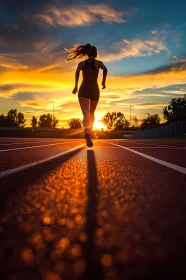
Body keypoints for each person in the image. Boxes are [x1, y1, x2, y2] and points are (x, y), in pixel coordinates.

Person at [65, 43, 108, 147]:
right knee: (92, 112)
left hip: (83, 89)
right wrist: (103, 82)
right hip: (94, 89)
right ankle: (90, 132)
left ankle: (87, 131)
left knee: (85, 114)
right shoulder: (98, 63)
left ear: (87, 54)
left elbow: (77, 72)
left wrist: (75, 86)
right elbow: (105, 69)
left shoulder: (82, 63)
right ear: (96, 54)